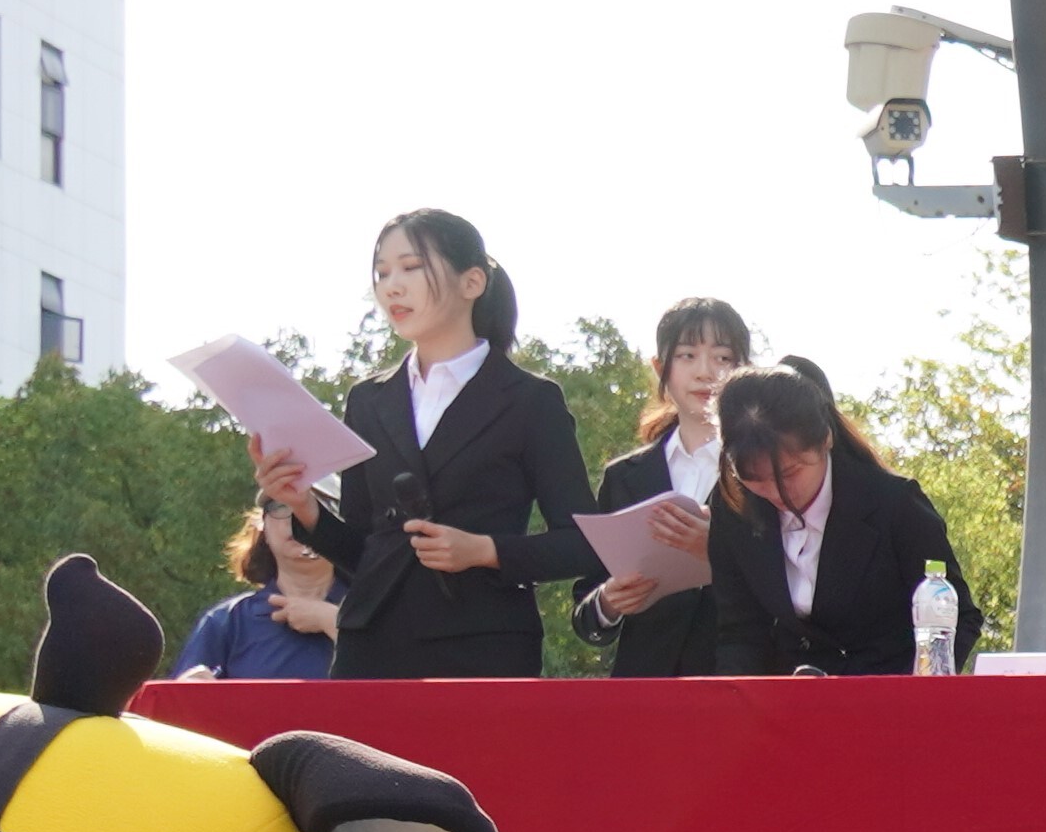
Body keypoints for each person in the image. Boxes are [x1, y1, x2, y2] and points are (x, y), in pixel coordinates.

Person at [268, 207, 601, 679]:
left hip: (482, 647)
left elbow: (584, 544)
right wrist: (303, 509)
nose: (391, 286)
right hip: (372, 644)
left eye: (410, 267)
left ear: (472, 282)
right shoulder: (368, 399)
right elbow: (368, 548)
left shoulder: (531, 401)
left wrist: (485, 550)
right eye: (381, 272)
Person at [701, 363, 984, 678]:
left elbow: (959, 617)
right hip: (789, 705)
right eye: (755, 479)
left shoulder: (894, 503)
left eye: (791, 472)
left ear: (825, 440)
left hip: (889, 697)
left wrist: (911, 694)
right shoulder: (733, 506)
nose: (777, 493)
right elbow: (740, 631)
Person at [578, 295, 752, 679]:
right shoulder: (625, 477)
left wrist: (717, 550)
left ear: (744, 370)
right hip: (644, 685)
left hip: (737, 679)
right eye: (687, 356)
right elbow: (586, 604)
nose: (705, 373)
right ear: (660, 368)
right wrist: (609, 601)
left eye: (723, 358)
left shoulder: (760, 470)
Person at [173, 506, 338, 683]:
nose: (298, 518)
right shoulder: (226, 621)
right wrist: (187, 691)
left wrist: (334, 622)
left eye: (319, 506)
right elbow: (174, 705)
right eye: (281, 507)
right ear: (263, 527)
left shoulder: (369, 615)